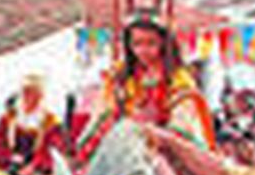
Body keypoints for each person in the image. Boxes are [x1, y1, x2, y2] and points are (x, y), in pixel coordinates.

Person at [76, 13, 216, 162]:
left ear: (163, 43)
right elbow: (105, 111)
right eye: (137, 44)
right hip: (124, 142)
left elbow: (184, 121)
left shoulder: (179, 79)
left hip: (165, 148)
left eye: (151, 43)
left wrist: (159, 135)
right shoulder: (119, 75)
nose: (143, 50)